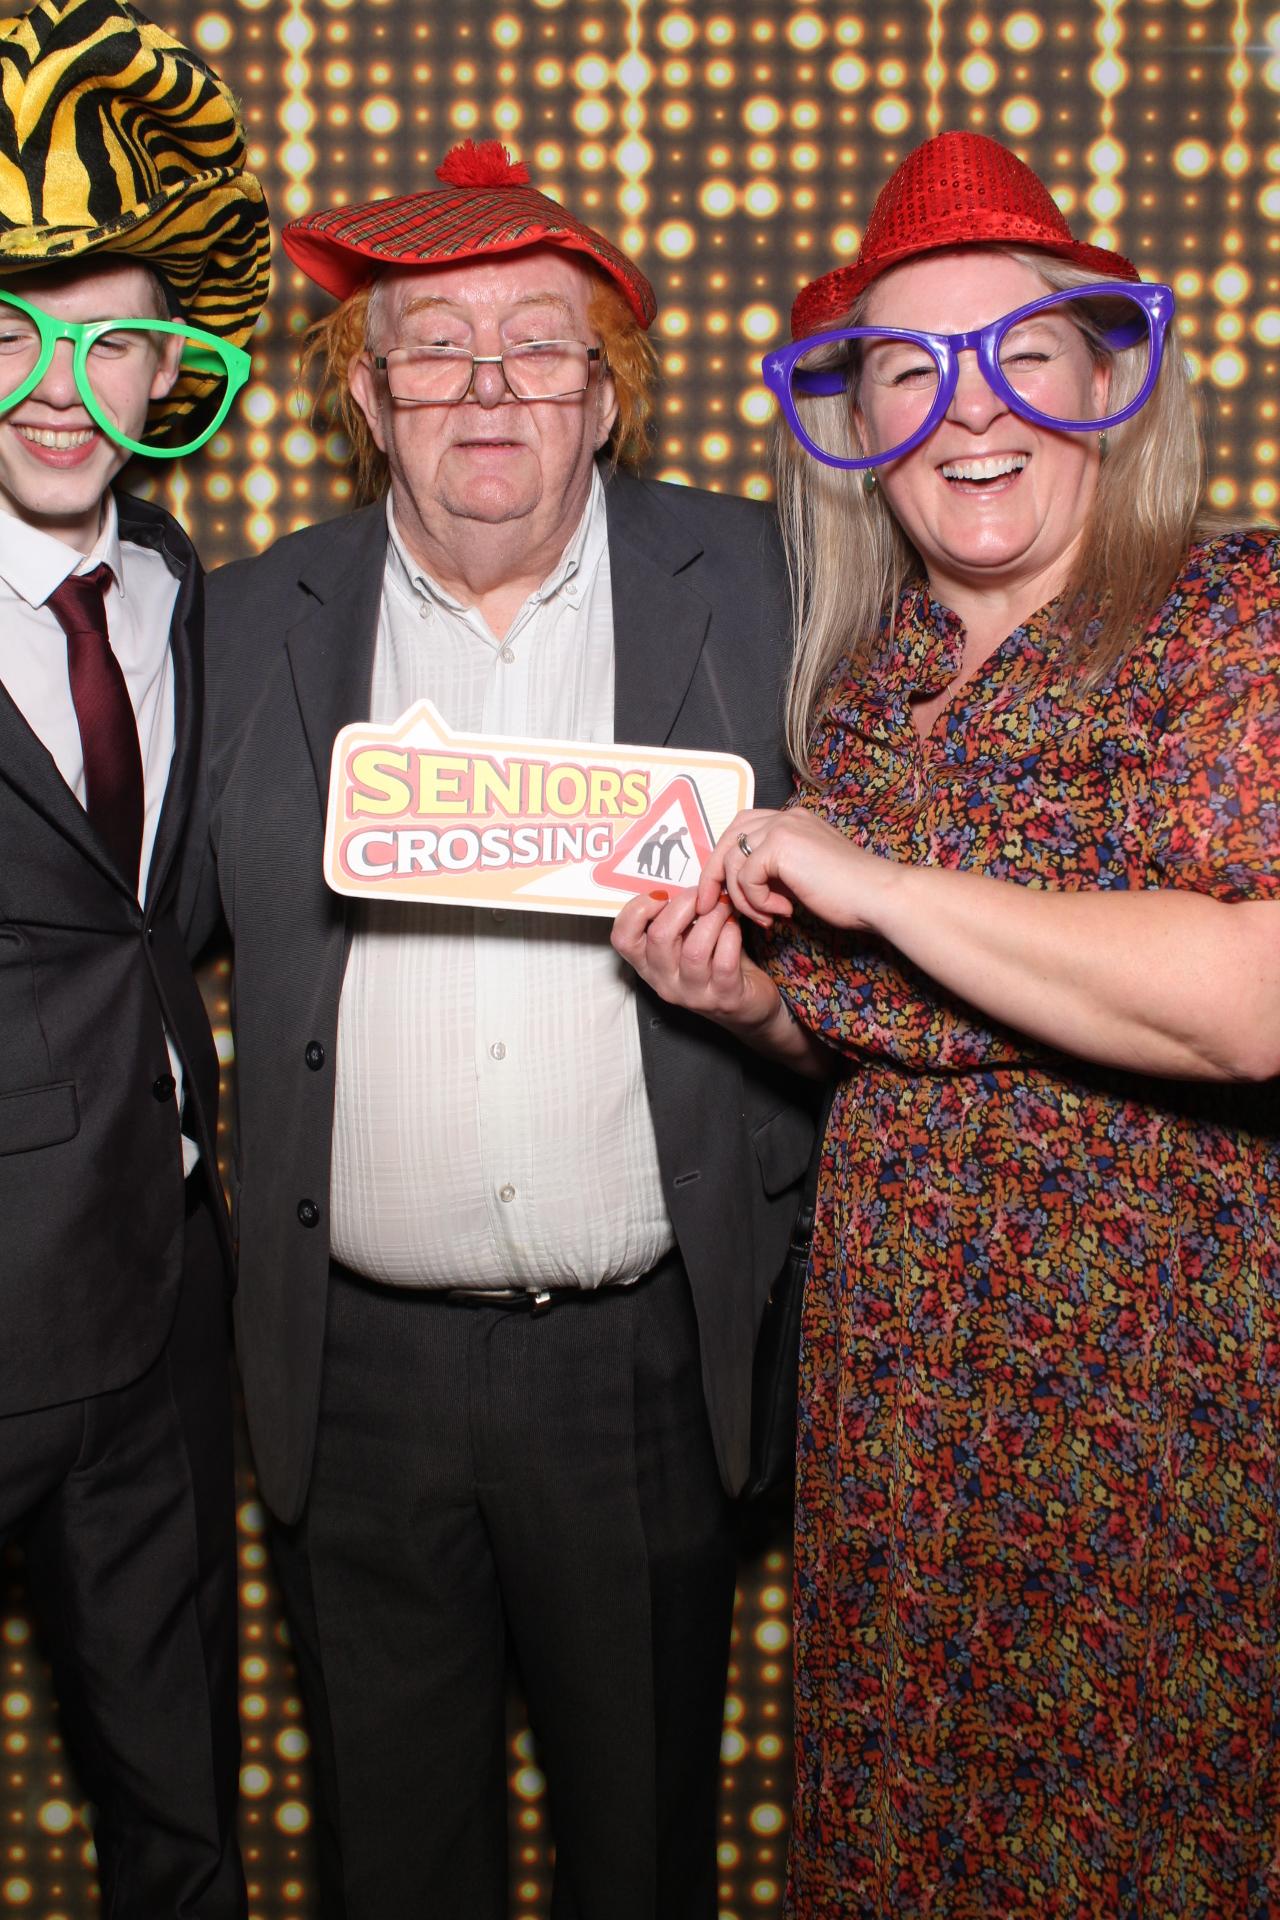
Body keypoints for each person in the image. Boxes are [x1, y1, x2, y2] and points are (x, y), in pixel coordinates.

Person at [612, 130, 1280, 1917]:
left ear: (1107, 384)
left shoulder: (1235, 619)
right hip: (907, 1397)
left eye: (1018, 356)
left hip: (1153, 1395)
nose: (966, 413)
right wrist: (751, 1000)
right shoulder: (883, 672)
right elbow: (895, 1039)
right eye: (911, 368)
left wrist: (885, 886)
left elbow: (1252, 1007)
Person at [195, 139, 815, 1920]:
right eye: (437, 344)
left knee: (643, 1858)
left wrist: (765, 998)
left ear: (604, 397)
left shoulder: (769, 587)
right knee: (396, 1868)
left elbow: (884, 941)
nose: (489, 383)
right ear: (369, 397)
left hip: (636, 1366)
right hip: (351, 1370)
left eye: (540, 341)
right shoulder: (240, 630)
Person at [0, 1, 270, 1913]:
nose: (55, 385)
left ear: (167, 373)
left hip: (169, 1303)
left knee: (181, 1818)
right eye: (14, 334)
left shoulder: (184, 592)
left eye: (107, 345)